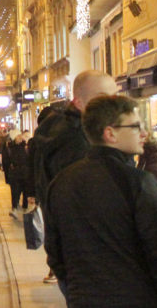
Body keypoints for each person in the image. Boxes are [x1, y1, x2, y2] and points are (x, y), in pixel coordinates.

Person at [44, 94, 157, 307]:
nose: (144, 133)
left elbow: (55, 254)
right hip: (137, 299)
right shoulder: (139, 183)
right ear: (110, 134)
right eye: (136, 126)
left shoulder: (61, 183)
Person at [32, 69, 118, 284]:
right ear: (79, 103)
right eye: (101, 98)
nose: (111, 104)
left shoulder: (64, 131)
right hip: (88, 257)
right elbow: (81, 202)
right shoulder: (77, 141)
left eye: (114, 96)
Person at [3, 131, 32, 218]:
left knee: (22, 192)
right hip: (17, 174)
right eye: (18, 136)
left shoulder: (24, 147)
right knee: (17, 192)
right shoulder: (10, 148)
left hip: (21, 173)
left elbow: (29, 160)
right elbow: (5, 163)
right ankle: (16, 209)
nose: (21, 137)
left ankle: (21, 209)